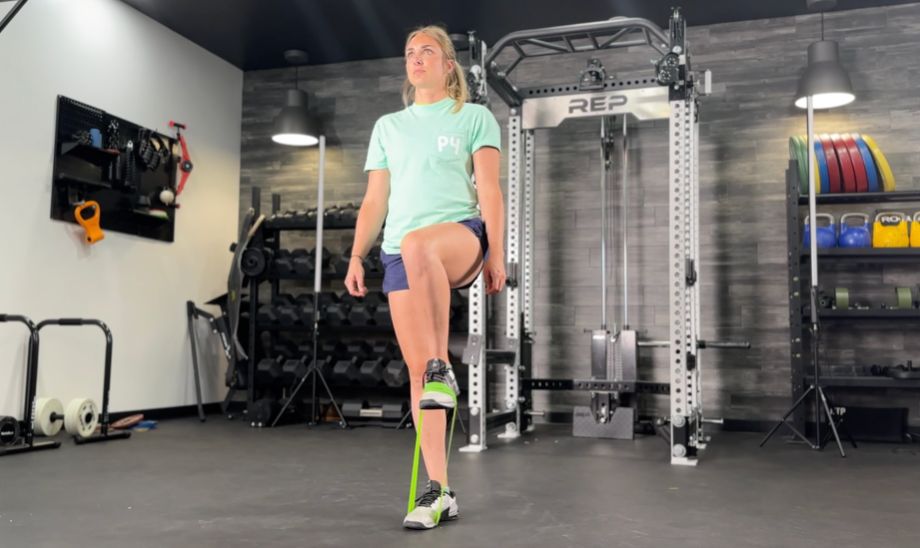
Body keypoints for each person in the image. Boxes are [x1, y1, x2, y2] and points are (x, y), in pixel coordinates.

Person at [344, 24, 505, 530]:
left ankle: (442, 365)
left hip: (459, 236)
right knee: (420, 380)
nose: (416, 59)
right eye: (410, 52)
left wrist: (497, 254)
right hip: (397, 254)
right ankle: (438, 491)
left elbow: (491, 191)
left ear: (448, 65)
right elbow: (376, 200)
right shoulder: (388, 126)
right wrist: (355, 254)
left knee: (419, 242)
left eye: (427, 51)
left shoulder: (474, 117)